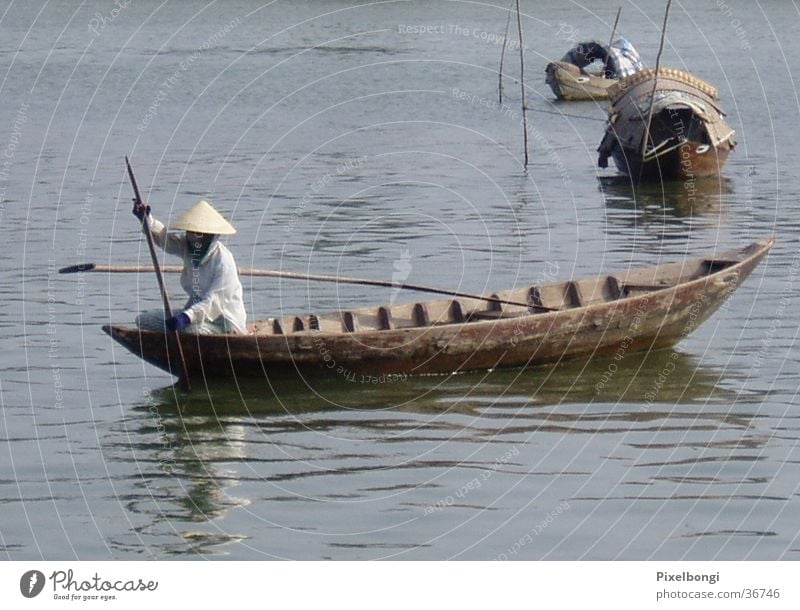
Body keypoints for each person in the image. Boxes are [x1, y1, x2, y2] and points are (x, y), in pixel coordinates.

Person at [132, 198, 247, 334]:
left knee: (191, 331)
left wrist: (186, 317)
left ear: (210, 236)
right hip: (195, 313)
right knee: (144, 320)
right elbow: (166, 240)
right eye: (190, 232)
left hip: (224, 320)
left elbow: (213, 302)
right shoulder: (189, 247)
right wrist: (147, 220)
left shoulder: (223, 262)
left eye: (197, 234)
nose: (192, 237)